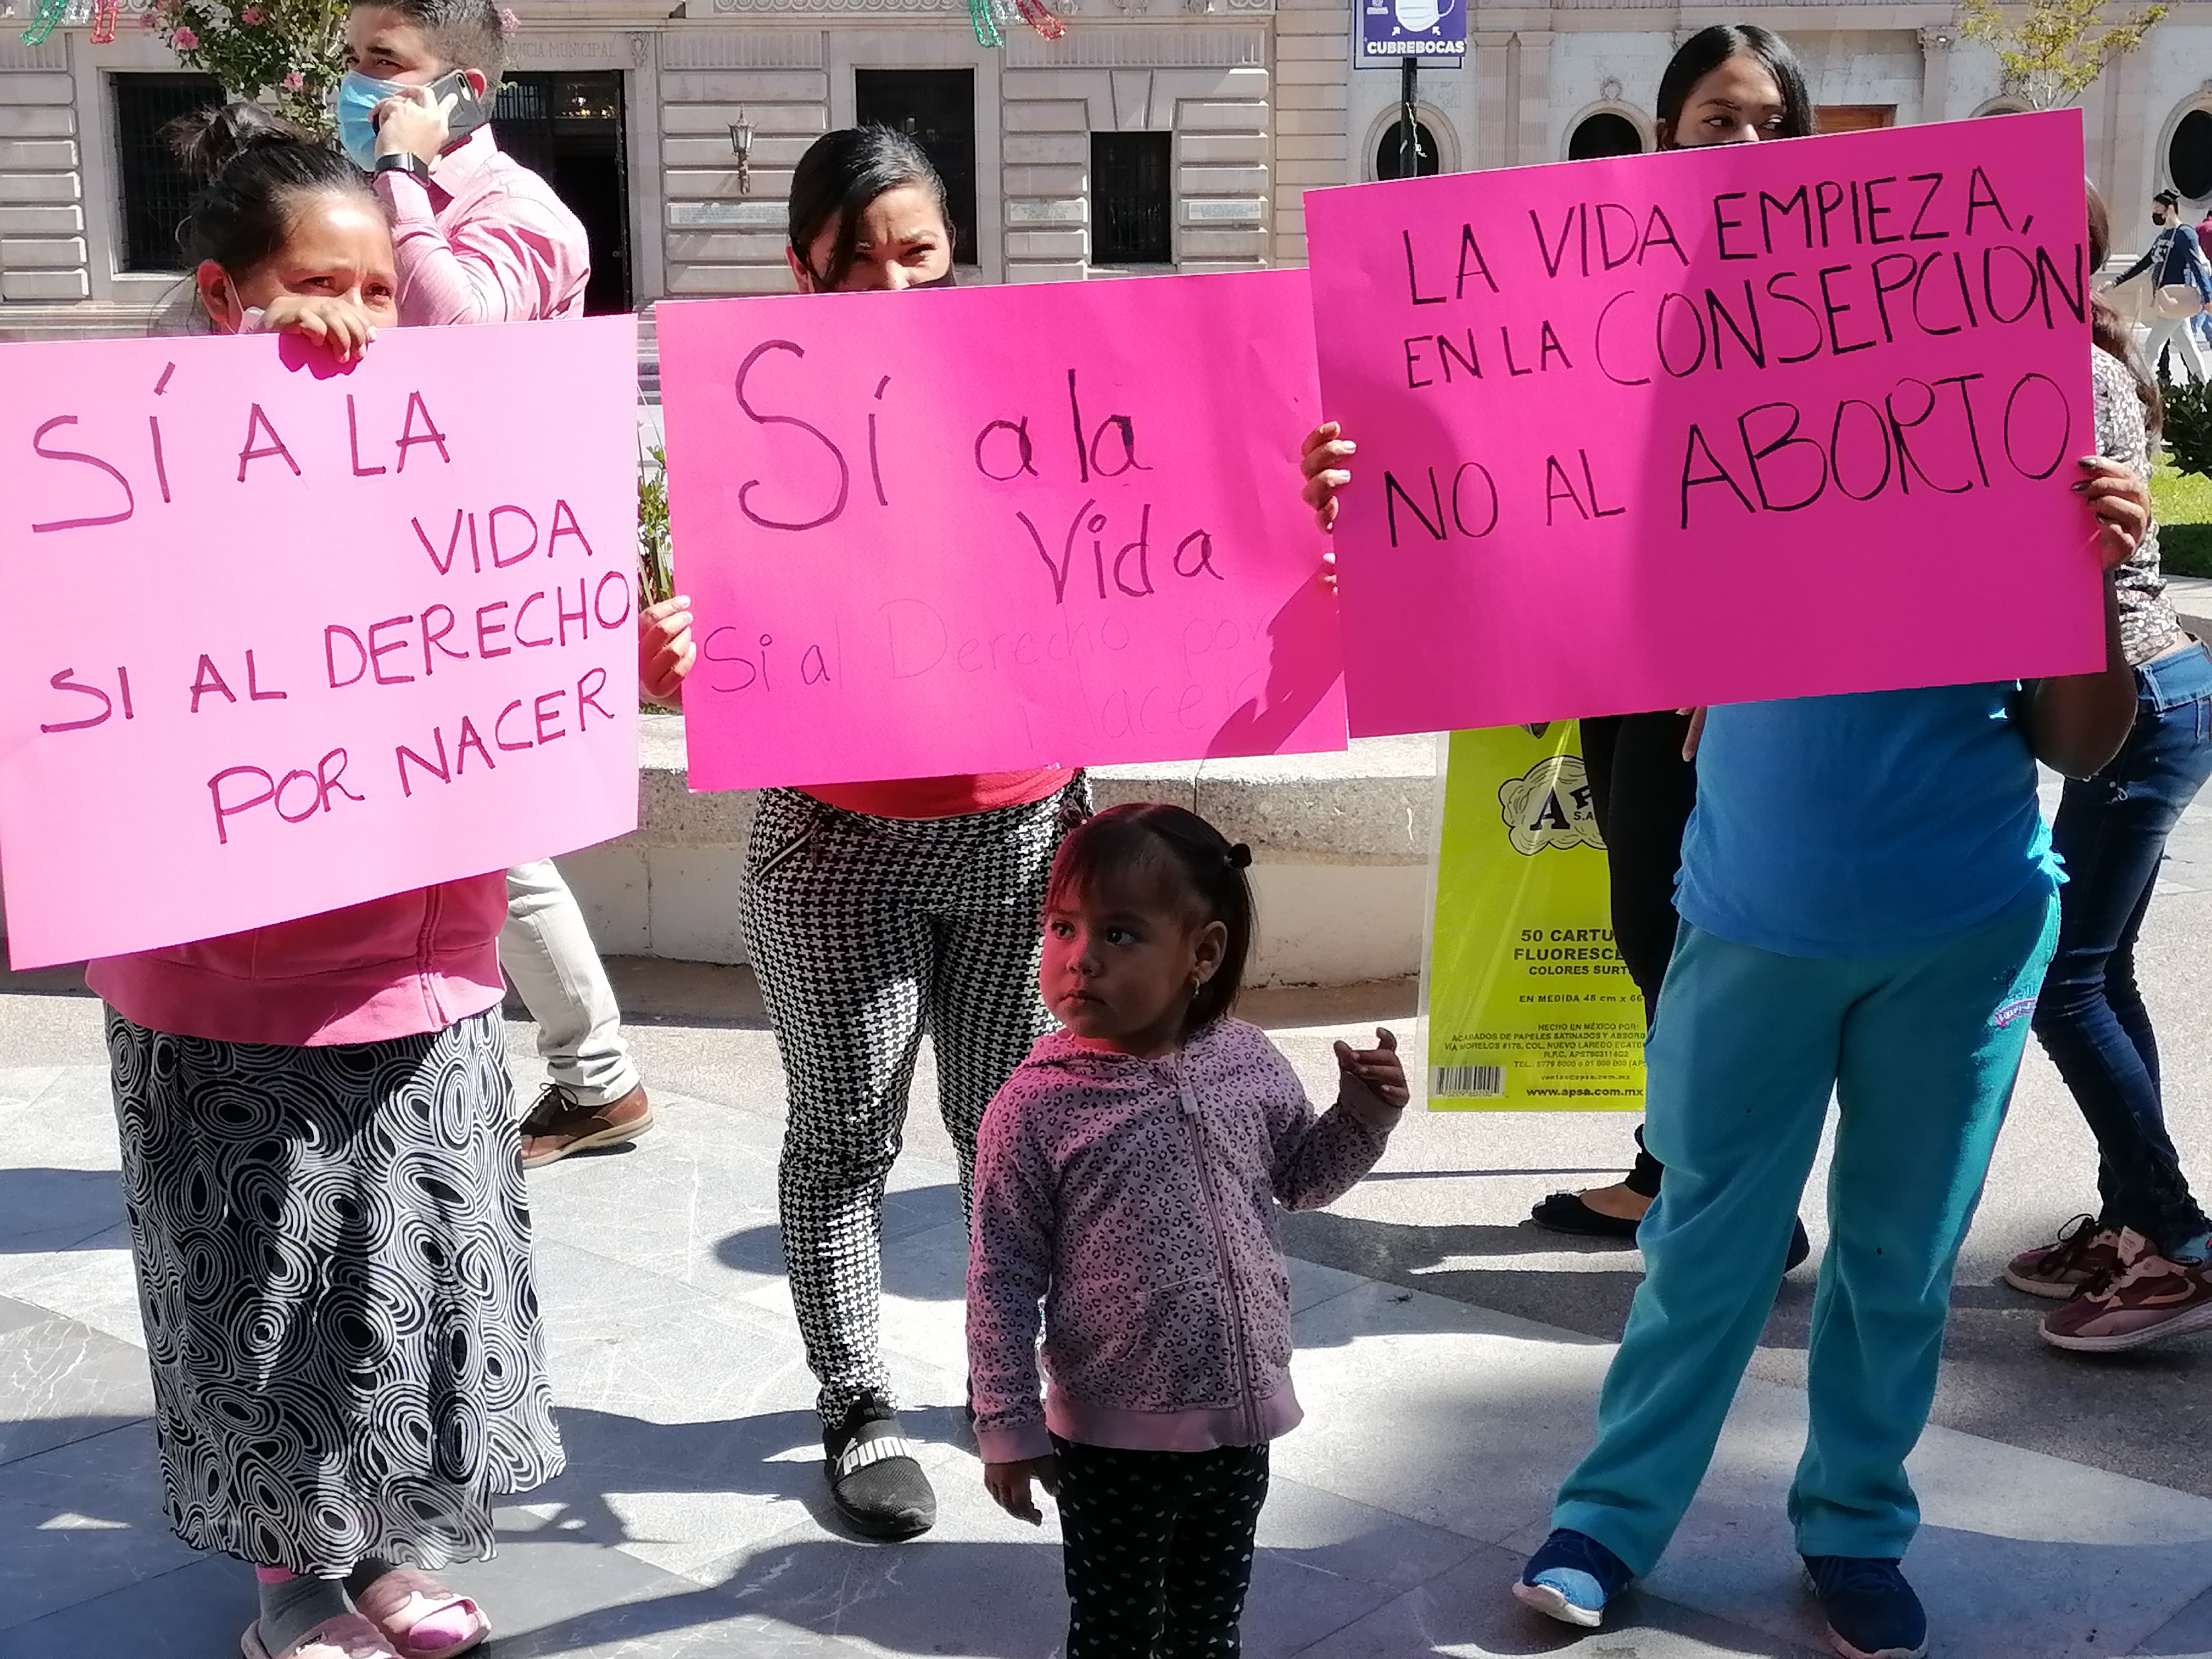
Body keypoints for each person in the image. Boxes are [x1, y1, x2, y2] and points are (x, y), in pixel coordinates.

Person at [1304, 227, 2151, 1659]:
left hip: (1961, 942)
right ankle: (1612, 1518)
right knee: (1707, 1247)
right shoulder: (1728, 478)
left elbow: (2081, 739)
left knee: (1896, 1262)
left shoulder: (2013, 475)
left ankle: (1856, 1526)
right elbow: (1517, 574)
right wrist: (1379, 495)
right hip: (1753, 932)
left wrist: (2083, 584)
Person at [92, 103, 562, 1659]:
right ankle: (291, 1578)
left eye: (377, 291)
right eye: (315, 284)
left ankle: (388, 1560)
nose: (355, 321)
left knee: (401, 1283)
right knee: (256, 1290)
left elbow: (508, 626)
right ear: (225, 296)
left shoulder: (447, 448)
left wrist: (624, 656)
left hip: (414, 958)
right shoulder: (119, 464)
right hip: (219, 979)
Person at [639, 127, 1094, 1540]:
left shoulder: (1030, 390)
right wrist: (672, 649)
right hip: (835, 842)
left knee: (1003, 1129)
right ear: (801, 267)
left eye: (923, 254)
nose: (897, 285)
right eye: (862, 263)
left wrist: (1291, 502)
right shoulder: (747, 418)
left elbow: (1147, 528)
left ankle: (997, 1377)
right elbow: (700, 631)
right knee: (843, 1131)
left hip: (1023, 829)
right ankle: (854, 1402)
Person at [1304, 22, 1817, 1268]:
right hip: (1623, 662)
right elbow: (1491, 442)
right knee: (1648, 920)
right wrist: (1357, 474)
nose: (1740, 142)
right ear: (1660, 134)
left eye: (1765, 123)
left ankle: (1735, 1198)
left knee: (1726, 941)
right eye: (1714, 119)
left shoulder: (1822, 299)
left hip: (1761, 689)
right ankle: (1671, 1165)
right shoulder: (1585, 282)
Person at [966, 804, 1408, 1657]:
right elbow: (1001, 1275)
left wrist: (1364, 1114)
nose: (1079, 958)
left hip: (1238, 1424)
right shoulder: (1036, 1105)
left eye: (1121, 934)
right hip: (1109, 1439)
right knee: (1119, 1636)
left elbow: (1303, 1179)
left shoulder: (1245, 1060)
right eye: (1062, 927)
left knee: (1209, 1630)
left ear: (1201, 953)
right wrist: (1007, 1421)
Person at [340, 0, 653, 1166]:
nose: (360, 87)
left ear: (459, 87)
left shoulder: (519, 215)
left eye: (386, 66)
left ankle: (592, 1073)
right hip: (382, 562)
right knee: (466, 827)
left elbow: (457, 340)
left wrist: (404, 181)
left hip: (472, 572)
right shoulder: (368, 195)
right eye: (353, 63)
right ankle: (585, 1073)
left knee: (484, 829)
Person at [2008, 188, 2212, 1354]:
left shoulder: (2062, 374)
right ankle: (2133, 1216)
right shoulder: (2060, 360)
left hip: (2137, 699)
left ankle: (2174, 1241)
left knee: (2060, 983)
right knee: (2100, 969)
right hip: (2148, 694)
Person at [2110, 188, 2210, 385]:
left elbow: (2196, 266)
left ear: (2169, 209)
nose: (2155, 213)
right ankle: (2204, 387)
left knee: (2152, 346)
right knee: (2187, 346)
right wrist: (2116, 282)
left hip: (2175, 298)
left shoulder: (2185, 234)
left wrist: (2208, 297)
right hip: (2167, 300)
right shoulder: (2165, 236)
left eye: (2157, 209)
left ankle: (2141, 388)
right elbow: (2145, 262)